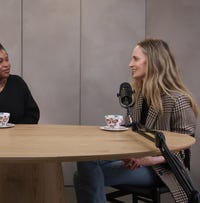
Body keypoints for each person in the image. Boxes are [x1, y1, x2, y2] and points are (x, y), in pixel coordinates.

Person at [73, 39, 199, 203]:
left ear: (153, 62)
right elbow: (131, 133)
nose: (130, 64)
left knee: (81, 177)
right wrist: (127, 154)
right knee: (85, 158)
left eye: (136, 59)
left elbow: (183, 150)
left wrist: (147, 159)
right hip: (138, 157)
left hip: (161, 168)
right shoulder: (138, 96)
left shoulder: (177, 100)